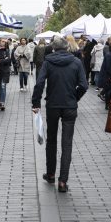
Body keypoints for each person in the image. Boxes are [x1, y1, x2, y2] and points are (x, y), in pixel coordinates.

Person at [31, 35, 88, 192]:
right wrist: (74, 98)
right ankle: (63, 181)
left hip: (53, 105)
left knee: (51, 141)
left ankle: (50, 174)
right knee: (67, 143)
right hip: (70, 106)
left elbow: (40, 83)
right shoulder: (76, 62)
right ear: (67, 47)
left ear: (53, 48)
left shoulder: (48, 62)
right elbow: (84, 85)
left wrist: (36, 102)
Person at [97, 37, 111, 107]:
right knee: (109, 91)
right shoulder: (109, 56)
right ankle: (107, 105)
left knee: (109, 90)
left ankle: (108, 104)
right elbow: (109, 67)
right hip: (108, 77)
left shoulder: (110, 55)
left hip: (108, 76)